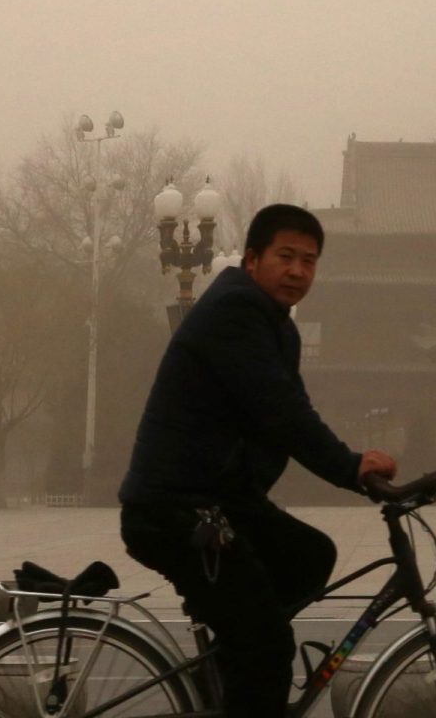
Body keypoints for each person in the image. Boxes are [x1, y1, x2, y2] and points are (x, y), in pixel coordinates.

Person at [119, 203, 397, 718]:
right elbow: (280, 412)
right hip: (176, 511)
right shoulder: (236, 313)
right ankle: (246, 667)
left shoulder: (271, 323)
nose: (297, 271)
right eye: (285, 256)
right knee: (267, 649)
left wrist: (347, 465)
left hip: (221, 502)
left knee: (308, 557)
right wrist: (349, 466)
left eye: (309, 261)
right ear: (252, 260)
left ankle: (233, 671)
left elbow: (289, 412)